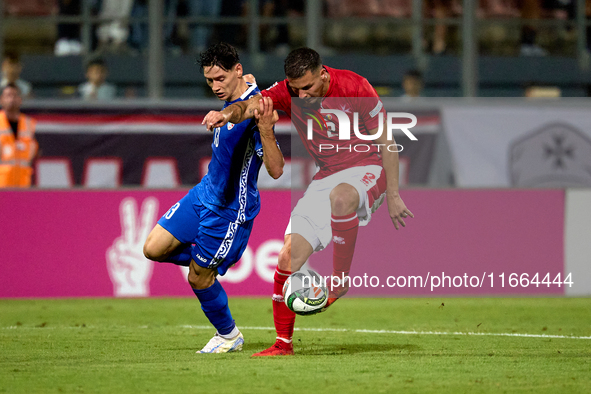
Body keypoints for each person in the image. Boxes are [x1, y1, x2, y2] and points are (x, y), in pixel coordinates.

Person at [202, 47, 414, 356]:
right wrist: (225, 114)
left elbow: (386, 140)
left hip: (368, 168)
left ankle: (339, 282)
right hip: (327, 174)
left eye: (308, 87)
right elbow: (250, 106)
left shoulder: (356, 87)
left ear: (323, 74)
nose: (302, 96)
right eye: (296, 89)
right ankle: (282, 344)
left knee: (341, 197)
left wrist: (393, 193)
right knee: (287, 258)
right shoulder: (288, 91)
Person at [143, 42, 284, 353]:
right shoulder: (236, 92)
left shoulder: (258, 108)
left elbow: (276, 169)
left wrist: (267, 131)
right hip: (204, 194)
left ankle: (229, 335)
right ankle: (205, 263)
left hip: (230, 209)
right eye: (209, 81)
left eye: (220, 79)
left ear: (236, 71)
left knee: (198, 279)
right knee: (152, 248)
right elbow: (233, 105)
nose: (215, 87)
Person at [0, 83, 38, 187]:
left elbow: (36, 150)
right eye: (8, 95)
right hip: (2, 183)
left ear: (20, 99)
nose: (12, 99)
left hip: (23, 182)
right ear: (1, 99)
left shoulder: (30, 124)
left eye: (15, 95)